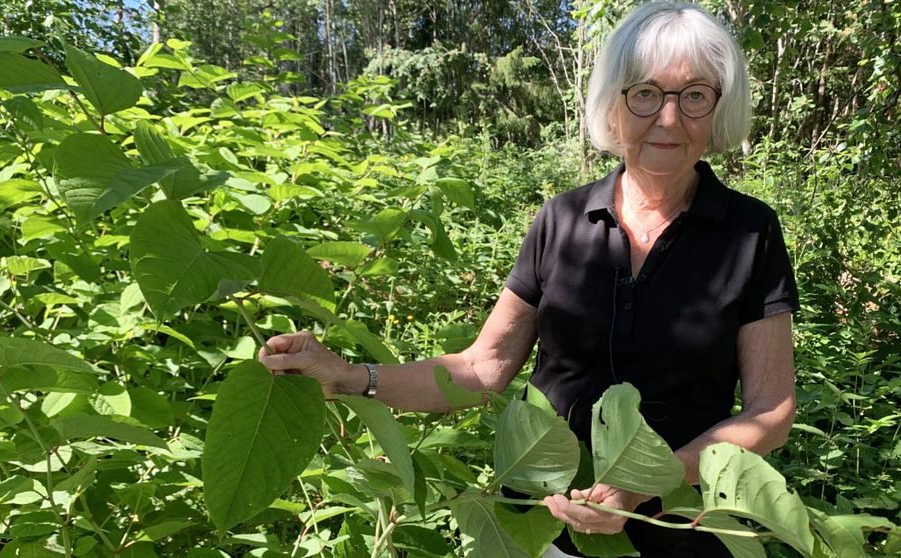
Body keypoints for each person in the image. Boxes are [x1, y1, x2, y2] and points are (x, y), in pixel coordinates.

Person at [259, 2, 798, 557]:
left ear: (718, 108)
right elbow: (481, 367)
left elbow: (771, 410)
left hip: (681, 531)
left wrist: (650, 479)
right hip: (540, 526)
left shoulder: (749, 232)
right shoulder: (560, 221)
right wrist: (350, 376)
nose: (667, 118)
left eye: (694, 96)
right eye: (644, 92)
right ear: (613, 106)